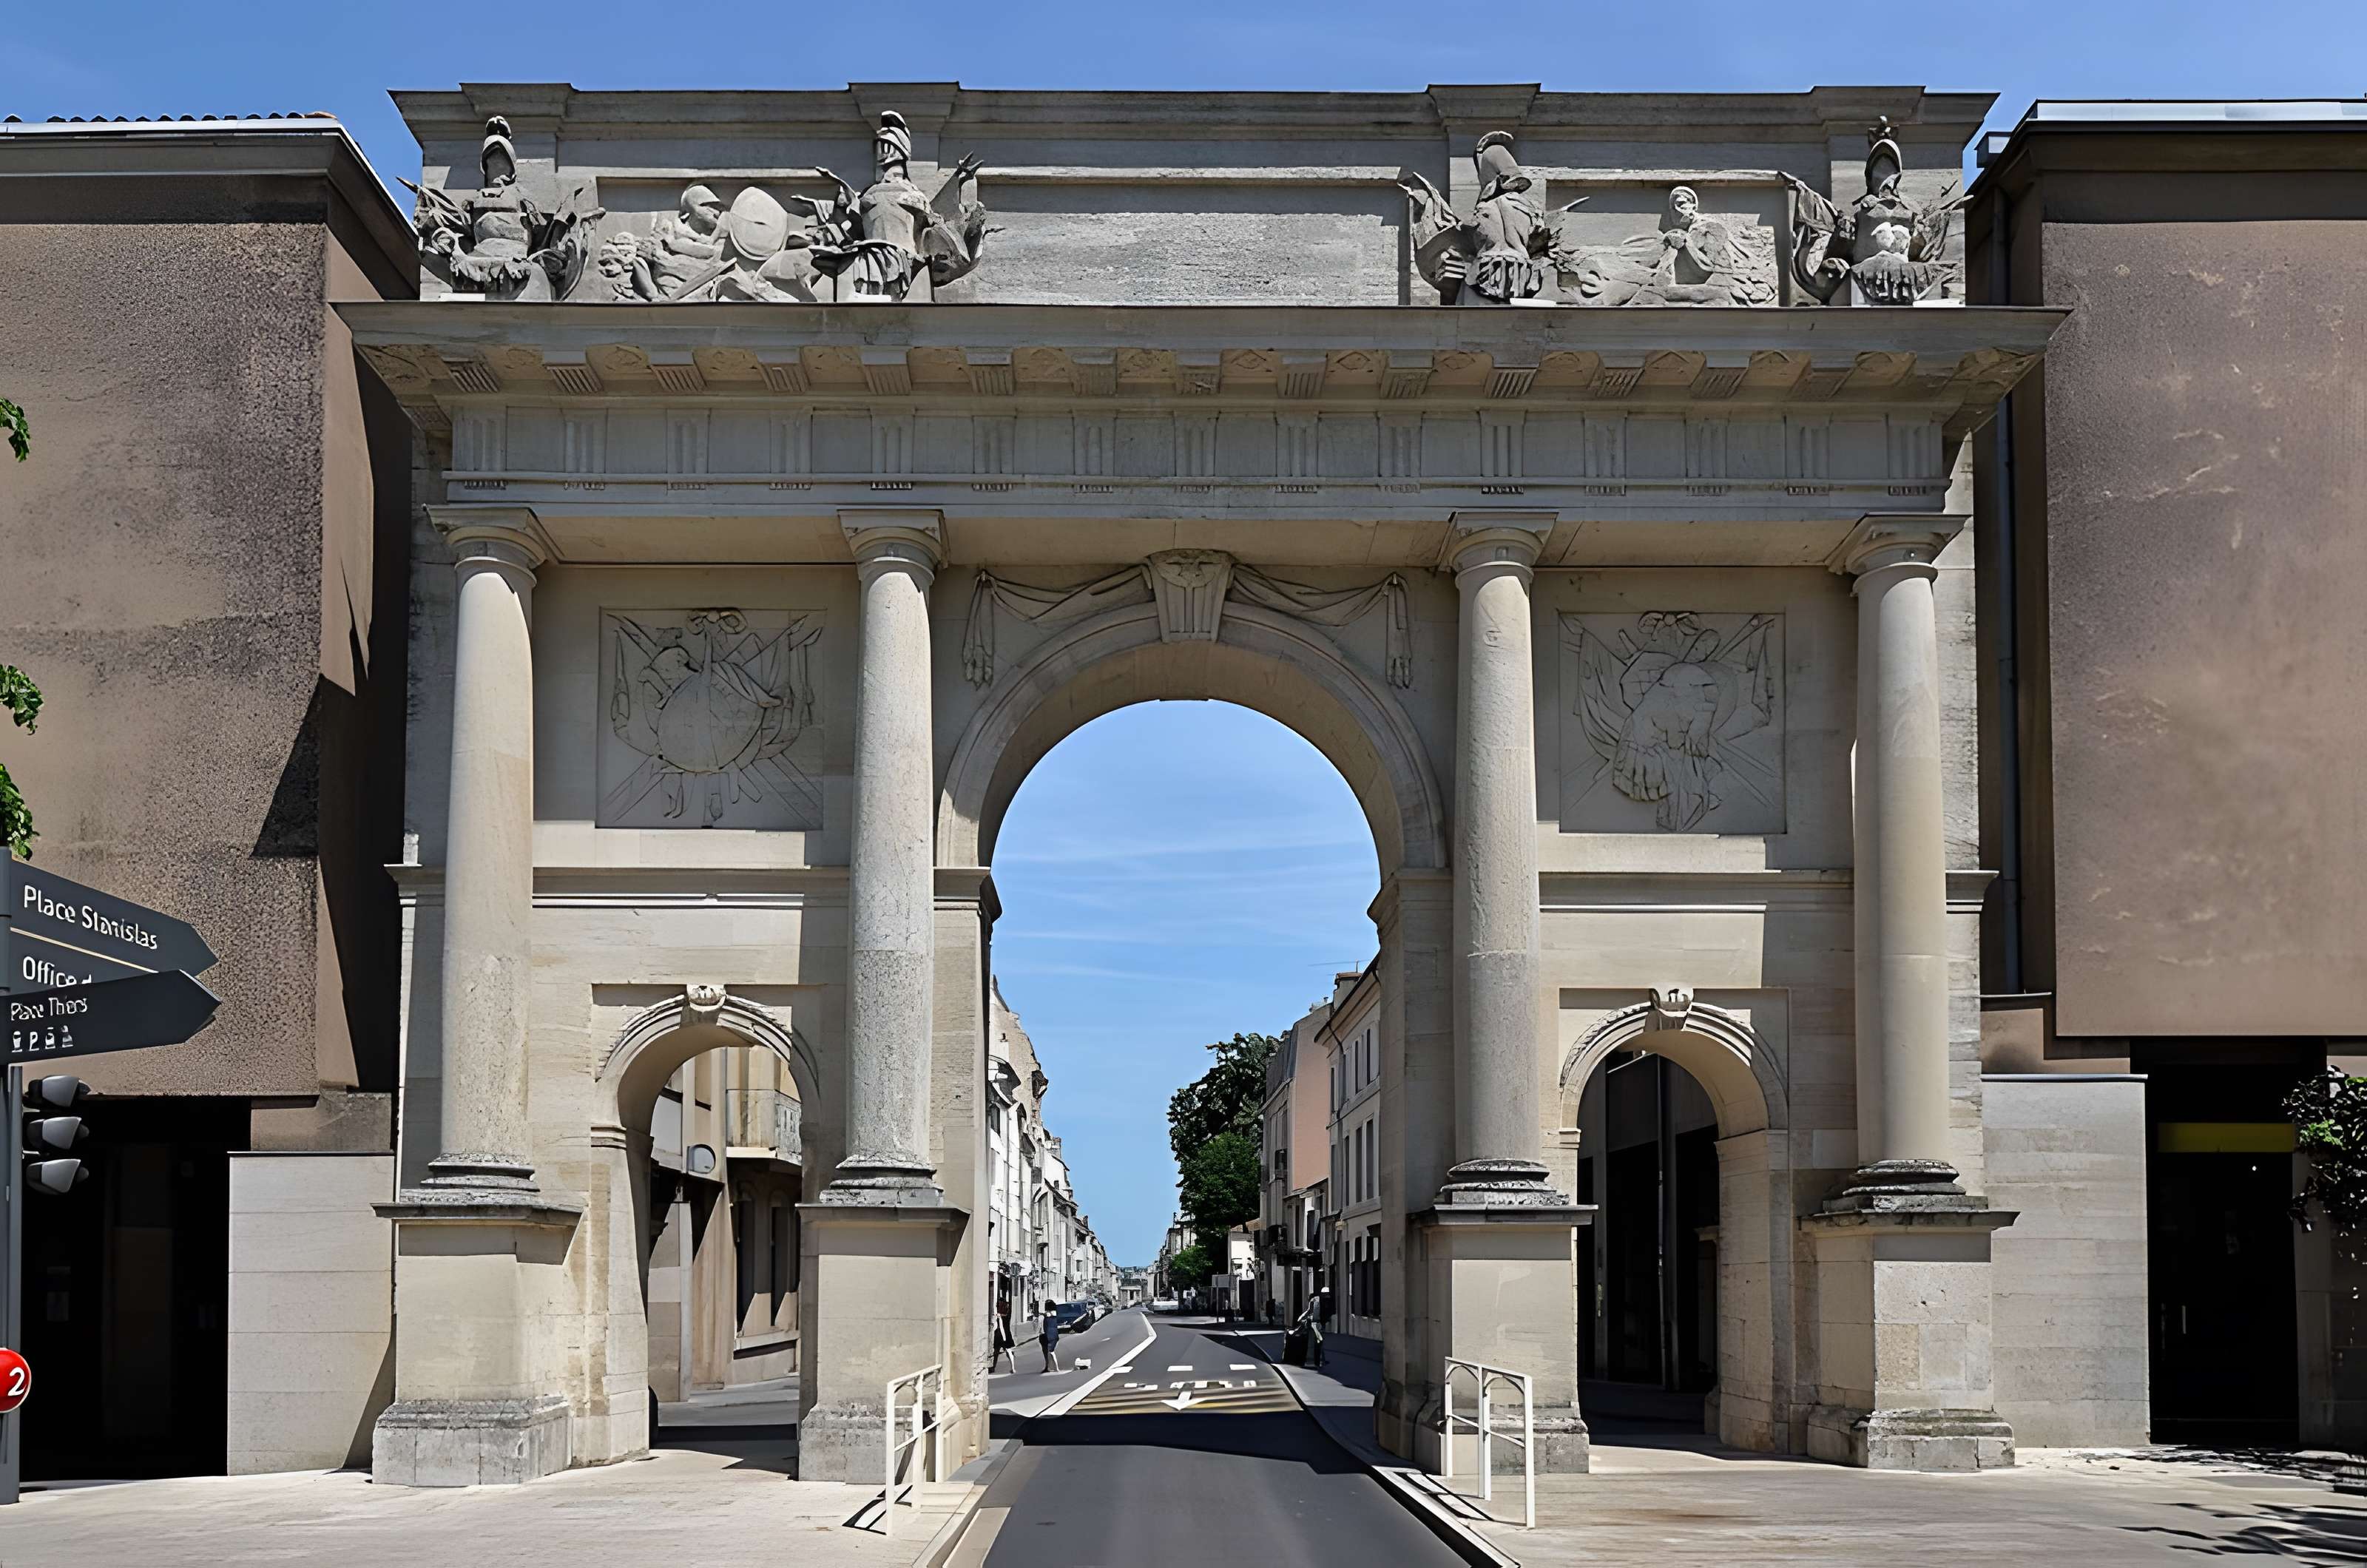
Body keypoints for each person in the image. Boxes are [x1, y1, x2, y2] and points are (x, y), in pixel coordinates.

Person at [992, 1303, 1017, 1375]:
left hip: (1001, 1336)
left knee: (996, 1352)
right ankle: (1012, 1367)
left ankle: (993, 1367)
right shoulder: (1005, 1317)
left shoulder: (1002, 1317)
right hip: (1003, 1335)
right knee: (1006, 1352)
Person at [1041, 1302, 1064, 1373]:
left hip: (1049, 1335)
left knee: (1049, 1352)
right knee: (1049, 1352)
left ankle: (1054, 1368)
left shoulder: (1049, 1314)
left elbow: (1048, 1315)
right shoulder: (1054, 1314)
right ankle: (1049, 1367)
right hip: (1050, 1335)